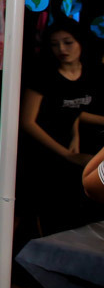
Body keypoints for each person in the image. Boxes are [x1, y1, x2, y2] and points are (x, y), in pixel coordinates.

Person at [19, 20, 98, 235]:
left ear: (80, 42)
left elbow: (73, 109)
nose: (62, 49)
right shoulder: (44, 76)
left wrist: (75, 135)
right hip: (41, 148)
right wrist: (67, 155)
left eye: (67, 42)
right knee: (42, 207)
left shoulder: (88, 73)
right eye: (55, 44)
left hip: (68, 145)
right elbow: (27, 122)